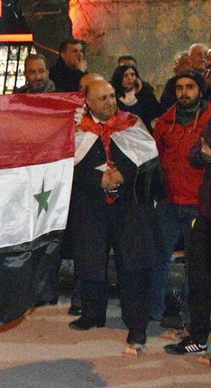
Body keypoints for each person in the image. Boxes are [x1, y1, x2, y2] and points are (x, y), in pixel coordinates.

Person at [69, 80, 160, 350]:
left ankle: (137, 326)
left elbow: (149, 160)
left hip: (129, 208)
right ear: (88, 103)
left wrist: (122, 173)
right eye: (103, 98)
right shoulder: (77, 129)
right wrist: (99, 179)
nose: (111, 102)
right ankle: (91, 314)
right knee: (90, 261)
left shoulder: (132, 122)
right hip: (91, 208)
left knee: (133, 267)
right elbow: (68, 166)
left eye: (112, 96)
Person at [151, 71, 211, 328]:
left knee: (196, 267)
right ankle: (155, 312)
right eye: (179, 88)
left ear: (200, 89)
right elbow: (154, 158)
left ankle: (191, 319)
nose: (184, 92)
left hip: (199, 202)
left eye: (189, 87)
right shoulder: (165, 121)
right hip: (168, 201)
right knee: (157, 259)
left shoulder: (209, 119)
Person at [164, 114, 211, 354]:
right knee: (200, 278)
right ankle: (199, 336)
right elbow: (195, 154)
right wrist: (204, 154)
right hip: (206, 211)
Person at [110, 64, 162, 131]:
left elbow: (156, 113)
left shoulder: (145, 93)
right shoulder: (114, 96)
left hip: (145, 132)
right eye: (125, 75)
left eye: (132, 75)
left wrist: (140, 92)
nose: (130, 78)